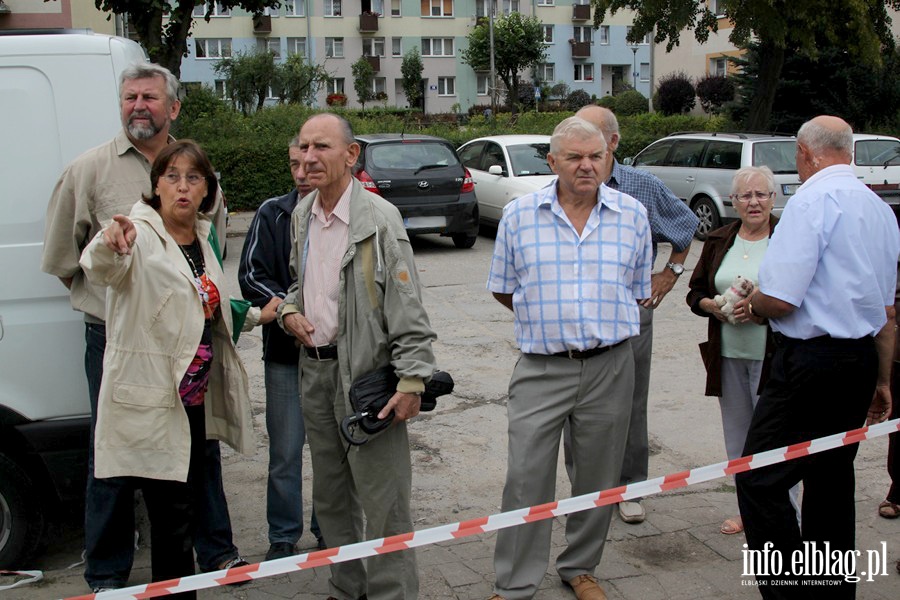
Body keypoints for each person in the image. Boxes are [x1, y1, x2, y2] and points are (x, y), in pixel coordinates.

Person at [40, 62, 244, 593]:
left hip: (187, 349)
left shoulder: (198, 170)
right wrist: (109, 298)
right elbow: (71, 257)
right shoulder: (91, 169)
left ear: (172, 107)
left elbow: (210, 248)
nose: (138, 106)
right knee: (113, 460)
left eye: (150, 97)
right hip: (117, 341)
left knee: (196, 454)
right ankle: (107, 574)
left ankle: (214, 552)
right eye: (130, 96)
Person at [78, 140, 260, 598]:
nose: (182, 186)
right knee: (171, 517)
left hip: (192, 401)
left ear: (207, 191)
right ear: (155, 185)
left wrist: (259, 314)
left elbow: (208, 302)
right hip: (153, 399)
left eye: (193, 178)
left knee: (184, 513)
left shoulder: (201, 237)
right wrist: (109, 242)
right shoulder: (139, 233)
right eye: (171, 176)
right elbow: (101, 266)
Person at [486, 116, 652, 600]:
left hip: (611, 366)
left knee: (598, 476)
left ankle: (580, 568)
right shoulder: (518, 215)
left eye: (596, 156)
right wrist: (550, 319)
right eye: (575, 156)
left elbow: (638, 290)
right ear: (552, 160)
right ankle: (515, 581)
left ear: (608, 157)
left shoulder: (632, 215)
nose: (586, 165)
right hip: (542, 368)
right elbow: (505, 290)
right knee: (525, 477)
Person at [733, 116, 899, 596]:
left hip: (810, 361)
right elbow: (886, 310)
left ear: (806, 154)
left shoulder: (811, 200)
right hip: (858, 359)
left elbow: (782, 299)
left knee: (759, 477)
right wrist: (881, 379)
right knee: (830, 479)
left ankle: (790, 588)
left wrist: (756, 302)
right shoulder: (879, 209)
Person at [278, 113, 436, 600]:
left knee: (384, 499)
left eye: (321, 147)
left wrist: (412, 382)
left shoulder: (379, 220)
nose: (309, 158)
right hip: (314, 373)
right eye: (303, 147)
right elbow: (303, 286)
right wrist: (287, 311)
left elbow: (408, 308)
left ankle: (392, 593)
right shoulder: (303, 215)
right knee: (330, 496)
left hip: (368, 381)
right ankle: (347, 588)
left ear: (351, 155)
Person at [573, 105, 699, 524]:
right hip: (578, 313)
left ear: (612, 142)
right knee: (580, 402)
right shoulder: (566, 185)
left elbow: (685, 227)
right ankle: (587, 491)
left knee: (630, 400)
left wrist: (670, 273)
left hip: (631, 310)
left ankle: (630, 487)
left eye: (590, 135)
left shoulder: (642, 186)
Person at [685, 166, 799, 535]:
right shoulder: (720, 239)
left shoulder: (790, 238)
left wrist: (758, 311)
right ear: (733, 201)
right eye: (745, 196)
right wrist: (711, 306)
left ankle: (788, 516)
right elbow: (695, 291)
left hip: (775, 358)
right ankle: (749, 512)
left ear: (773, 198)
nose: (753, 202)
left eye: (761, 194)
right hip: (728, 354)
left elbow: (799, 297)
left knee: (779, 442)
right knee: (738, 439)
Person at [238, 136, 323, 560]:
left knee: (332, 450)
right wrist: (289, 306)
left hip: (335, 358)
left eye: (308, 164)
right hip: (285, 358)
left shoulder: (342, 215)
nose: (301, 173)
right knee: (286, 453)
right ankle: (283, 536)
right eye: (293, 164)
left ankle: (329, 526)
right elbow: (251, 276)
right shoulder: (272, 213)